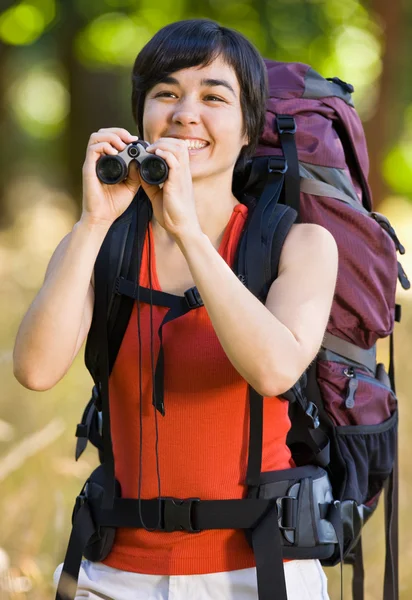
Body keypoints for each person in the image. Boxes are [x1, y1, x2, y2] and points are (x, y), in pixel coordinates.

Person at [13, 18, 338, 600]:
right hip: (113, 570)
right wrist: (93, 222)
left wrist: (188, 231)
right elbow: (35, 371)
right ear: (142, 116)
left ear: (247, 129)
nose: (186, 112)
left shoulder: (301, 244)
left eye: (215, 96)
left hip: (259, 570)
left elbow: (274, 370)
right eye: (167, 93)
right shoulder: (101, 239)